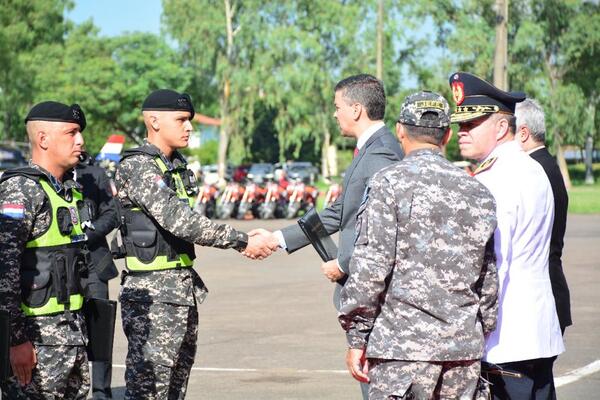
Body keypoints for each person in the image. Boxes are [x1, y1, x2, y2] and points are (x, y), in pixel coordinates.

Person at [114, 89, 275, 399]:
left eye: (190, 120)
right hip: (153, 294)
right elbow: (181, 221)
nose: (189, 127)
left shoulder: (174, 165)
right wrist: (241, 240)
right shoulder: (139, 167)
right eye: (182, 120)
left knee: (175, 388)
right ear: (154, 121)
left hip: (180, 289)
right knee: (150, 391)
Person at [338, 91, 498, 399]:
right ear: (447, 135)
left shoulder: (388, 183)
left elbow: (371, 268)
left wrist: (357, 337)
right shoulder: (478, 191)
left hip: (402, 352)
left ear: (400, 130)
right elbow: (488, 275)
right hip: (461, 351)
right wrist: (482, 328)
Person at [255, 74, 404, 398]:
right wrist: (278, 239)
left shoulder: (381, 155)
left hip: (374, 295)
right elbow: (340, 211)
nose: (334, 114)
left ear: (355, 109)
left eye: (337, 107)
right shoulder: (372, 149)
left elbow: (382, 224)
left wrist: (345, 262)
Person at [449, 72, 565, 399]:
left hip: (506, 339)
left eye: (472, 124)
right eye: (460, 125)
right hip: (538, 330)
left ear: (502, 127)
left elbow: (491, 265)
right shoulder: (533, 168)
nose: (462, 132)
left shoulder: (494, 180)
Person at [0, 101, 91, 399]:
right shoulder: (21, 190)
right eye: (72, 132)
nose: (81, 141)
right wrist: (16, 341)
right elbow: (5, 271)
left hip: (72, 337)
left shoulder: (67, 190)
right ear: (43, 139)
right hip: (35, 344)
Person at [515, 98, 572, 334]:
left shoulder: (532, 172)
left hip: (540, 296)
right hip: (550, 289)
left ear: (523, 133)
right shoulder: (546, 165)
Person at [75, 151, 120, 399]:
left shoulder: (94, 174)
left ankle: (102, 391)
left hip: (94, 262)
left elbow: (112, 213)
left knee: (100, 329)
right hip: (60, 267)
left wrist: (89, 233)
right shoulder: (45, 176)